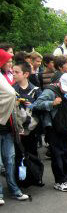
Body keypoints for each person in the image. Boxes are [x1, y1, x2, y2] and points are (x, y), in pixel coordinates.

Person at [33, 73, 67, 192]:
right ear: (60, 83)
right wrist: (52, 103)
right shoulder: (49, 91)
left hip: (66, 126)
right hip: (53, 127)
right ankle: (59, 181)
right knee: (57, 155)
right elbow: (36, 105)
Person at [0, 50, 30, 205]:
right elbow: (10, 95)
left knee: (10, 160)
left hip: (7, 127)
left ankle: (14, 189)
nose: (10, 65)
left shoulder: (6, 78)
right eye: (8, 61)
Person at [12, 62, 42, 156]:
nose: (13, 74)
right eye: (13, 72)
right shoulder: (11, 90)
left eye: (17, 72)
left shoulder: (36, 90)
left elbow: (42, 106)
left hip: (32, 128)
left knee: (32, 154)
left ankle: (32, 170)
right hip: (16, 128)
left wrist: (33, 105)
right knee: (18, 155)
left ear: (26, 74)